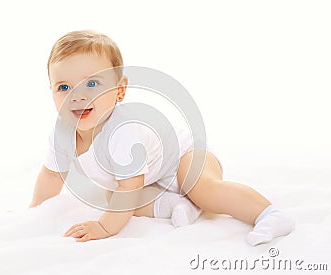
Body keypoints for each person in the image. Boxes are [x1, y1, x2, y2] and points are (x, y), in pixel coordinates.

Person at [28, 30, 295, 245]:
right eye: (63, 87)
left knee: (201, 188)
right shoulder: (61, 133)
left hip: (185, 156)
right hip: (150, 178)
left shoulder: (123, 131)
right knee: (114, 199)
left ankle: (268, 213)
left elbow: (130, 188)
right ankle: (176, 205)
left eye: (93, 83)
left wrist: (103, 226)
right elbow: (52, 175)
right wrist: (35, 210)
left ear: (120, 91)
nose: (77, 95)